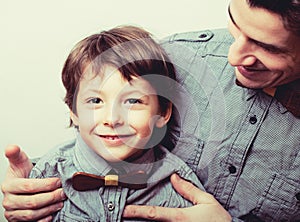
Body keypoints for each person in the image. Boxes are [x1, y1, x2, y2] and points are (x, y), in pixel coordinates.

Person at [2, 0, 300, 221]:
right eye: (235, 25)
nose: (232, 56)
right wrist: (28, 190)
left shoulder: (175, 174)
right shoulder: (172, 60)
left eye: (268, 47)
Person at [2, 25, 207, 221]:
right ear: (73, 111)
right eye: (95, 101)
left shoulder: (181, 183)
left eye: (133, 101)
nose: (112, 119)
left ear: (163, 112)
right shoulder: (46, 174)